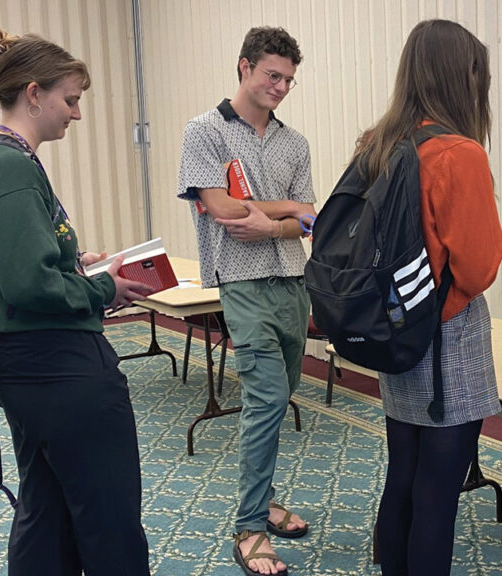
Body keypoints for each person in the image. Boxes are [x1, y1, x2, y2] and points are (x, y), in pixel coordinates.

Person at [0, 25, 151, 575]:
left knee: (47, 512)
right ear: (34, 94)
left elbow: (19, 266)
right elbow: (29, 285)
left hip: (25, 364)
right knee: (108, 517)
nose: (77, 113)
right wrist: (105, 287)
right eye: (70, 99)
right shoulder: (11, 167)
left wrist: (75, 263)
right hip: (59, 367)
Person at [356, 19, 502, 576]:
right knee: (438, 493)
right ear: (460, 76)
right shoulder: (457, 153)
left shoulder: (377, 143)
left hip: (394, 327)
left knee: (403, 476)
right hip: (448, 339)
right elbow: (479, 266)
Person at [177, 26, 316, 576]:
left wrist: (274, 222)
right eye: (271, 75)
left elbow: (311, 218)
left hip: (292, 281)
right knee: (265, 400)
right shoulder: (204, 131)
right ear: (244, 67)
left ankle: (267, 498)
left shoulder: (295, 143)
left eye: (288, 80)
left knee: (281, 397)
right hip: (242, 282)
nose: (280, 87)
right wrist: (285, 210)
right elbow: (220, 207)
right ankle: (250, 527)